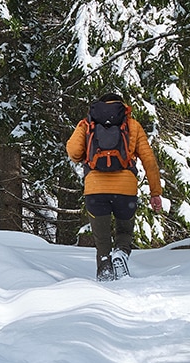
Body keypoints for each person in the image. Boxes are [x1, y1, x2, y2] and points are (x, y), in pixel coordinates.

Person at [66, 91, 163, 281]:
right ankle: (121, 253)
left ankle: (105, 272)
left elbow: (73, 152)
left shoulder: (87, 124)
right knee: (124, 231)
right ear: (122, 106)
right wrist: (155, 192)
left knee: (102, 240)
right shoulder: (132, 125)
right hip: (125, 191)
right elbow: (149, 160)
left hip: (95, 190)